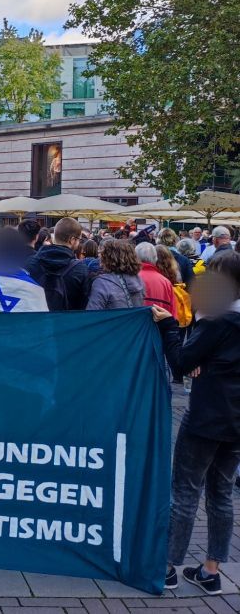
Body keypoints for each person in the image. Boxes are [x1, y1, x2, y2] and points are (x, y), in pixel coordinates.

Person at [156, 252, 240, 595]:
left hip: (207, 416)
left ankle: (168, 568)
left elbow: (178, 362)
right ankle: (211, 571)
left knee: (185, 491)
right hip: (236, 422)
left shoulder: (217, 321)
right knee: (222, 494)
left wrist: (167, 326)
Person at [24, 217, 92, 311]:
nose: (79, 242)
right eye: (79, 239)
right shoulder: (80, 269)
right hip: (65, 323)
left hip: (36, 321)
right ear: (72, 240)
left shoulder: (30, 262)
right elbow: (83, 305)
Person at [86, 240, 145, 310]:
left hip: (111, 320)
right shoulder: (138, 279)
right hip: (134, 320)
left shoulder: (102, 283)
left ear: (107, 258)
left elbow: (92, 313)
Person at [135, 242, 177, 317]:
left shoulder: (131, 278)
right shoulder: (165, 282)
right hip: (160, 326)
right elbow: (173, 313)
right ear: (155, 258)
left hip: (137, 326)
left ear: (136, 257)